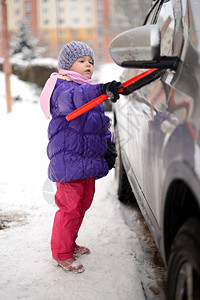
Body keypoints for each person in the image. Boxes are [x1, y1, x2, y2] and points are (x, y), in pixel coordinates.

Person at [40, 41, 122, 273]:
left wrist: (108, 145)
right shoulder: (62, 88)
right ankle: (61, 253)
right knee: (70, 208)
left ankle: (70, 243)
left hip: (84, 163)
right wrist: (100, 89)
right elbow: (75, 99)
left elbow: (99, 125)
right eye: (82, 61)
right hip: (68, 164)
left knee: (82, 205)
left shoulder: (87, 90)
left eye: (91, 61)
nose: (88, 65)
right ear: (67, 65)